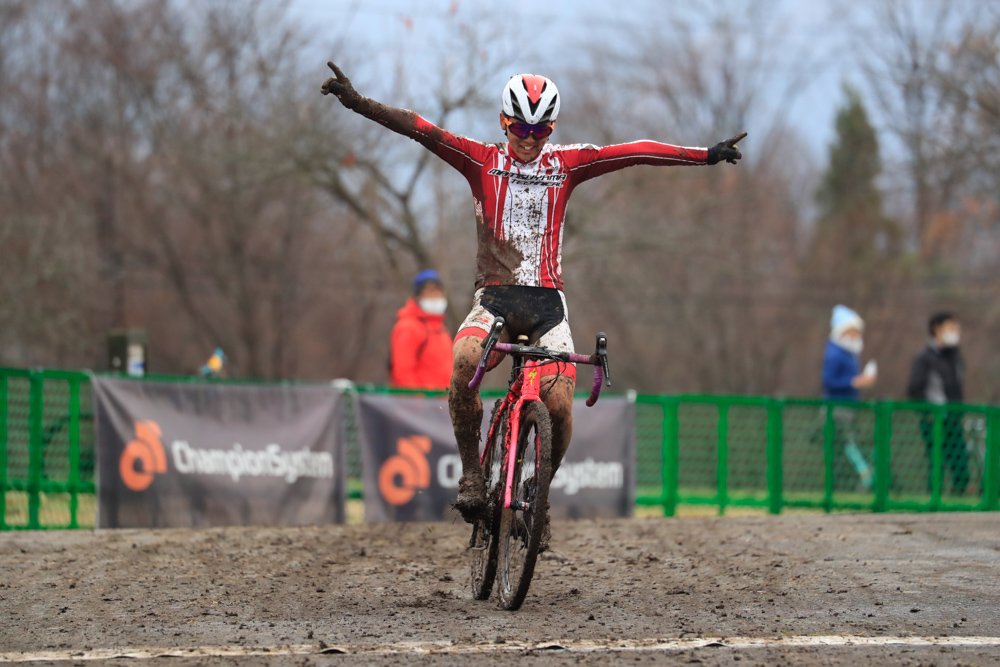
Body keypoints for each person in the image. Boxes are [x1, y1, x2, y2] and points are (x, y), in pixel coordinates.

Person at [322, 64, 745, 528]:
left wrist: (704, 155)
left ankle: (537, 495)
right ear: (504, 121)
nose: (529, 138)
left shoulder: (566, 164)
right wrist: (358, 102)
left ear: (552, 128)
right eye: (521, 128)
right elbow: (421, 129)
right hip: (495, 300)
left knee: (560, 407)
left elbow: (633, 152)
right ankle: (471, 478)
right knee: (462, 364)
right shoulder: (480, 159)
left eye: (539, 130)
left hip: (548, 307)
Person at [907, 312, 968, 495]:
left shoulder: (956, 358)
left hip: (954, 419)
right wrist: (928, 412)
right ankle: (934, 501)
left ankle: (959, 500)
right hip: (934, 420)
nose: (955, 332)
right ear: (936, 328)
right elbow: (914, 389)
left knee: (960, 465)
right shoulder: (924, 358)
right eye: (950, 328)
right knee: (936, 463)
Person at [821, 305, 877, 490]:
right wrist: (854, 382)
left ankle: (845, 483)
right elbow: (828, 381)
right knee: (845, 444)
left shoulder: (850, 354)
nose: (855, 336)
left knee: (846, 444)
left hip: (849, 406)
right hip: (836, 408)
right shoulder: (835, 353)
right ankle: (863, 476)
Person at [390, 269, 453, 390]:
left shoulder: (442, 329)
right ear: (418, 296)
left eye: (438, 291)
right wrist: (420, 404)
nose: (435, 297)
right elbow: (403, 373)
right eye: (429, 292)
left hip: (441, 404)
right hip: (419, 405)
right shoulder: (408, 326)